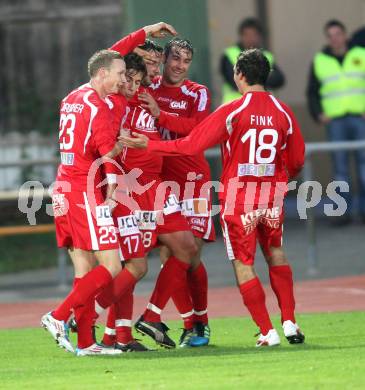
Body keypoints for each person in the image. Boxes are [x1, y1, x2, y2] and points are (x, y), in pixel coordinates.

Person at [120, 48, 306, 347]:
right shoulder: (284, 110)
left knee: (239, 262)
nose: (178, 66)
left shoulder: (228, 106)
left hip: (232, 194)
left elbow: (193, 141)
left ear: (239, 75)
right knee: (275, 252)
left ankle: (265, 331)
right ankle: (290, 322)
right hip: (269, 193)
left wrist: (148, 145)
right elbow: (297, 159)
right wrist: (281, 179)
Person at [41, 49, 128, 356]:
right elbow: (106, 156)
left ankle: (86, 343)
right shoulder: (100, 108)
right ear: (102, 73)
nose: (123, 79)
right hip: (84, 190)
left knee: (84, 266)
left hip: (63, 185)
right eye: (119, 73)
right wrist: (114, 188)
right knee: (112, 265)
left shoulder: (72, 97)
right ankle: (59, 315)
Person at [306, 19, 365, 224]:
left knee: (364, 167)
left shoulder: (361, 55)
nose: (335, 39)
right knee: (340, 170)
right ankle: (343, 213)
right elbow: (312, 92)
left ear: (345, 35)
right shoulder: (320, 60)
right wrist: (318, 114)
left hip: (360, 119)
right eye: (330, 35)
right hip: (335, 122)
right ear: (327, 39)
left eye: (338, 34)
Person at [220, 17, 285, 103]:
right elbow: (232, 80)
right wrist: (262, 78)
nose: (250, 38)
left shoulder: (267, 55)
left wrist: (249, 76)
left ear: (259, 36)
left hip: (261, 106)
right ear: (241, 36)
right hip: (234, 105)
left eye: (254, 35)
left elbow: (279, 79)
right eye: (247, 35)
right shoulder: (230, 54)